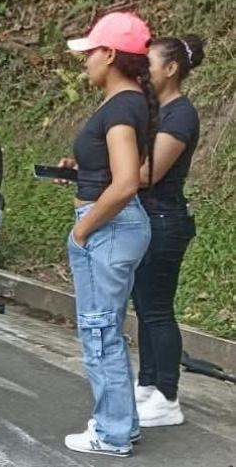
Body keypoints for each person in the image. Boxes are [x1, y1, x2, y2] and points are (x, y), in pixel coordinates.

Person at [59, 12, 157, 457]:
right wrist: (84, 172)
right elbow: (117, 172)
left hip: (110, 230)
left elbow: (125, 183)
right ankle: (123, 424)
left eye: (91, 53)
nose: (87, 63)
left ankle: (112, 433)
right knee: (108, 332)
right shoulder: (130, 102)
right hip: (118, 227)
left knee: (99, 334)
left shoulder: (121, 106)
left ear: (111, 55)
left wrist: (83, 230)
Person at [132, 35, 204, 427]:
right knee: (144, 307)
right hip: (148, 218)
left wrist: (102, 180)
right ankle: (147, 385)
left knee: (157, 310)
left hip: (165, 221)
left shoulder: (181, 115)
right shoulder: (158, 111)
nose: (144, 72)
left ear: (172, 68)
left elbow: (148, 174)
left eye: (150, 64)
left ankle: (168, 396)